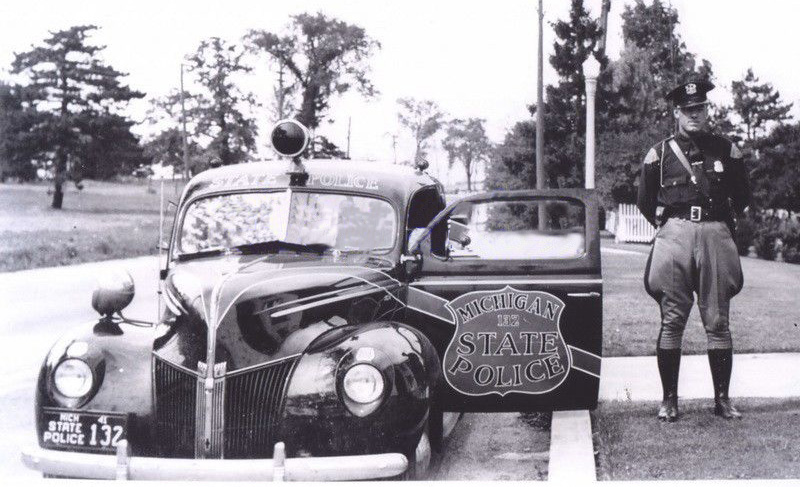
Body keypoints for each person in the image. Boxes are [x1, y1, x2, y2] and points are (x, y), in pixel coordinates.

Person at [636, 76, 751, 422]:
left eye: (699, 108)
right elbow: (644, 201)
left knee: (718, 321)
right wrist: (671, 226)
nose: (694, 115)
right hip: (675, 236)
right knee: (672, 320)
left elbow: (743, 196)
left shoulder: (726, 149)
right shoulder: (658, 153)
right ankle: (669, 400)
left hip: (715, 235)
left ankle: (722, 401)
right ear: (677, 112)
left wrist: (717, 224)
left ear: (706, 109)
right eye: (688, 110)